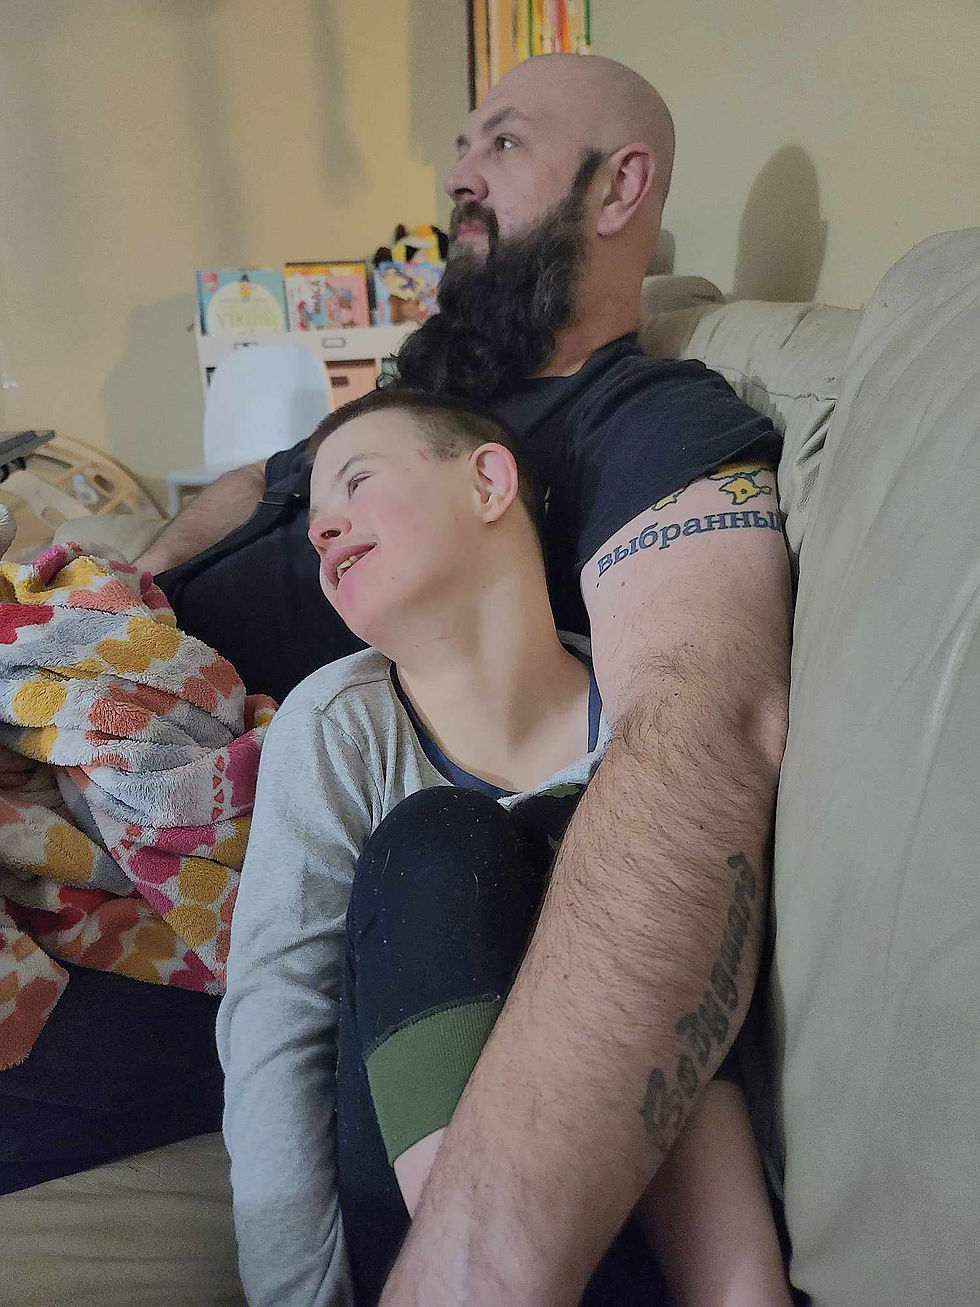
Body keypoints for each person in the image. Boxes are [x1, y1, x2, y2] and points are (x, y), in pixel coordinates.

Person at [5, 51, 791, 1301]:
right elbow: (249, 486)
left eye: (502, 143)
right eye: (460, 147)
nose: (455, 174)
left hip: (193, 874)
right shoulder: (422, 390)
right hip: (103, 718)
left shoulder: (641, 418)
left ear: (616, 185)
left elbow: (698, 726)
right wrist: (132, 588)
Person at [217, 386, 792, 1306]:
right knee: (441, 837)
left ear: (488, 480)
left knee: (634, 871)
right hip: (419, 1235)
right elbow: (277, 1016)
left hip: (647, 1225)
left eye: (357, 484)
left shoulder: (641, 705)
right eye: (315, 520)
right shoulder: (336, 725)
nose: (324, 531)